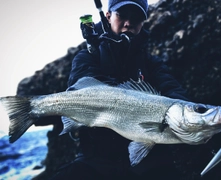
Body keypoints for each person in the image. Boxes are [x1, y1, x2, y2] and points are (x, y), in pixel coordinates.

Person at [51, 0, 189, 179]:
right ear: (108, 16)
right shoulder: (87, 57)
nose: (128, 23)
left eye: (137, 18)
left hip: (148, 161)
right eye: (122, 15)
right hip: (97, 159)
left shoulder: (151, 63)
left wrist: (189, 122)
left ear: (143, 23)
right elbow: (81, 87)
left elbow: (172, 89)